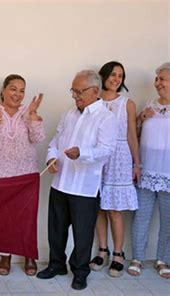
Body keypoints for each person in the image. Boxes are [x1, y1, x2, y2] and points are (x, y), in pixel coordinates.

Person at [37, 70, 117, 290]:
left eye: (79, 91)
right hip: (61, 181)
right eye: (73, 90)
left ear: (95, 91)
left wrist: (82, 153)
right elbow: (55, 141)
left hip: (85, 186)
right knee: (56, 228)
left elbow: (107, 150)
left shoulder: (106, 117)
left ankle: (80, 271)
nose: (75, 95)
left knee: (82, 233)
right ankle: (56, 265)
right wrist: (51, 158)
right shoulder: (69, 114)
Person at [0, 74, 45, 276]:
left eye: (22, 90)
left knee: (26, 215)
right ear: (3, 90)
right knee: (2, 217)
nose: (18, 94)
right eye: (13, 88)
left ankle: (28, 255)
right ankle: (4, 255)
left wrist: (33, 116)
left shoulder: (29, 111)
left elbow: (39, 138)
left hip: (25, 173)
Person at [89, 61, 140, 277]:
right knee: (99, 206)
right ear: (103, 76)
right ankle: (103, 250)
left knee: (114, 209)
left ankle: (118, 253)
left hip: (119, 157)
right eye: (113, 74)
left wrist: (136, 163)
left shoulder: (127, 103)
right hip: (98, 156)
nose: (116, 79)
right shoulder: (95, 101)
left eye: (120, 75)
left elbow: (131, 134)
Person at [127, 62, 170, 279]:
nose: (158, 83)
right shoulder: (149, 104)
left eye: (162, 79)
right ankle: (137, 258)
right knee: (141, 217)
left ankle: (163, 259)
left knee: (168, 220)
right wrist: (140, 119)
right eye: (157, 79)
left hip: (169, 174)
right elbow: (133, 133)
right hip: (145, 172)